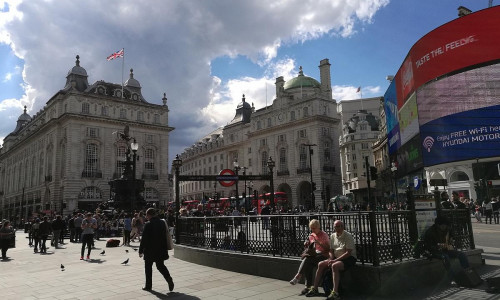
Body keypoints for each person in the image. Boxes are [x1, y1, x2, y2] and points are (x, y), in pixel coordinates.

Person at [305, 220, 357, 299]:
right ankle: (315, 288)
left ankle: (335, 292)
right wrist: (330, 258)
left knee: (334, 266)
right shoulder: (333, 236)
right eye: (337, 226)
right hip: (336, 257)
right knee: (321, 264)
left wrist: (335, 260)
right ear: (334, 228)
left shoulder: (348, 236)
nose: (339, 228)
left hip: (348, 258)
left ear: (343, 227)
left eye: (340, 226)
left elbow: (348, 253)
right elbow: (331, 251)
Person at [423, 216, 470, 282]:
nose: (444, 227)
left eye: (445, 225)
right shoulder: (430, 232)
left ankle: (468, 273)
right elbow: (429, 246)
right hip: (434, 252)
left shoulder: (447, 229)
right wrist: (438, 246)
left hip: (446, 250)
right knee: (445, 257)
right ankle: (452, 278)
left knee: (462, 255)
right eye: (443, 226)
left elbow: (451, 236)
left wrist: (451, 240)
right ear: (438, 225)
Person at [289, 219, 330, 295]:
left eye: (314, 228)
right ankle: (308, 287)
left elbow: (328, 249)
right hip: (315, 255)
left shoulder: (324, 235)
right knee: (308, 264)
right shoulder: (312, 235)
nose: (312, 230)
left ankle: (299, 277)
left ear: (318, 227)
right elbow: (310, 246)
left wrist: (320, 243)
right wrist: (307, 243)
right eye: (311, 228)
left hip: (324, 256)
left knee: (307, 260)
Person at [139, 208, 174, 292]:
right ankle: (168, 278)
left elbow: (144, 239)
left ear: (149, 215)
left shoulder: (148, 224)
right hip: (160, 249)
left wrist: (140, 251)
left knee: (148, 268)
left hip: (149, 250)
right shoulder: (162, 222)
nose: (146, 217)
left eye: (146, 215)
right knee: (160, 266)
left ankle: (148, 286)